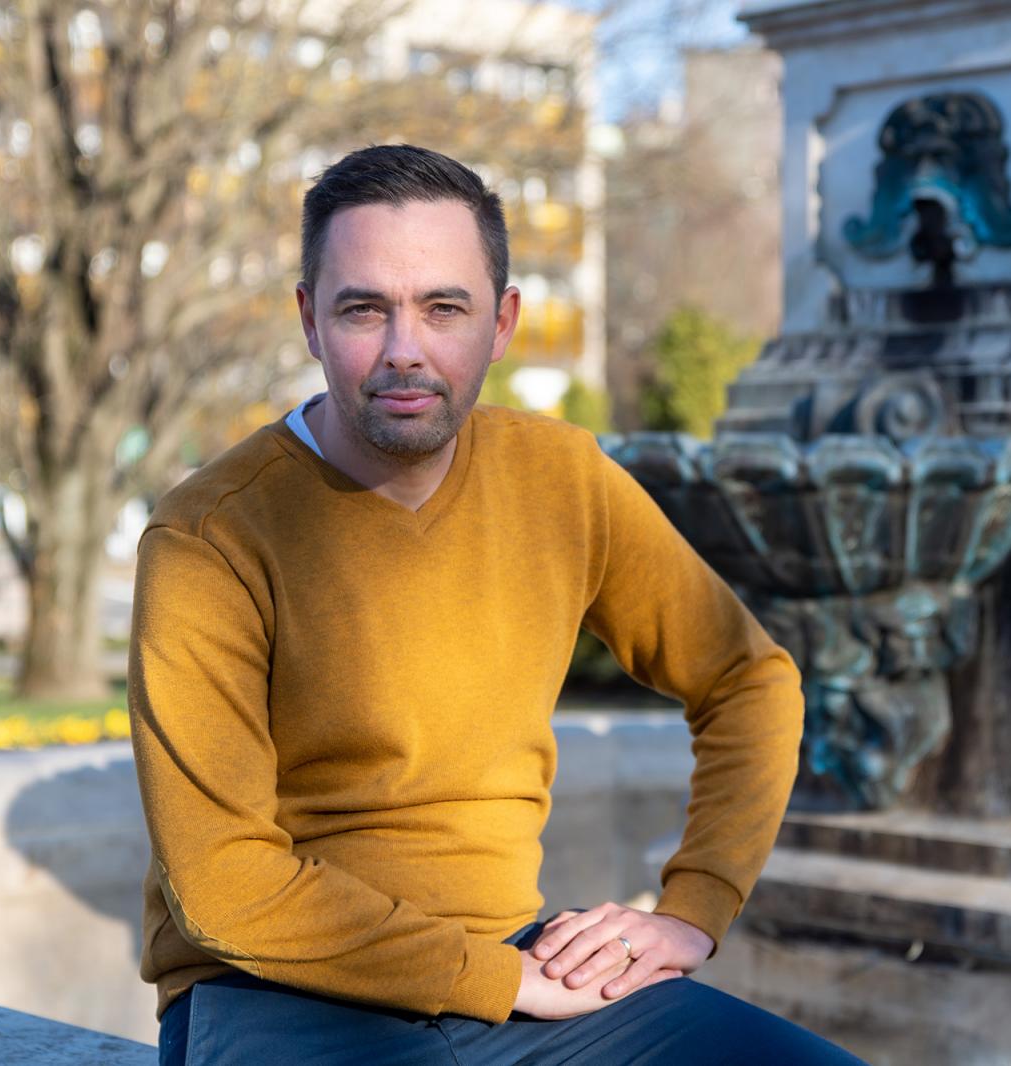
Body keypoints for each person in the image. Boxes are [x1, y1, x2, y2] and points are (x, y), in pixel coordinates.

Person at [129, 143, 865, 1065]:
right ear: (310, 320)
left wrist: (694, 909)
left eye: (444, 308)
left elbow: (748, 678)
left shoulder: (561, 481)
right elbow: (226, 886)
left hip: (522, 973)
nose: (405, 350)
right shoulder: (208, 537)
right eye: (364, 309)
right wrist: (501, 981)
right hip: (277, 995)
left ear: (503, 321)